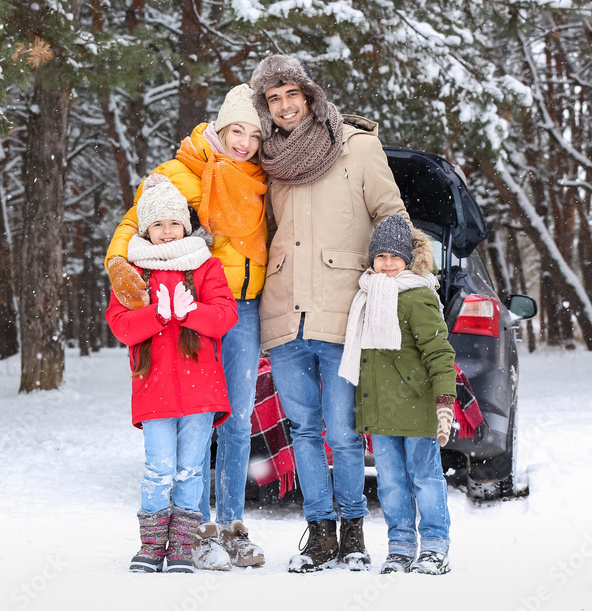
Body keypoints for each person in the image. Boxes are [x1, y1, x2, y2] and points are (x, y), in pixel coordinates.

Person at [248, 54, 408, 572]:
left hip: (342, 309)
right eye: (273, 99)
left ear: (309, 95)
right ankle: (319, 533)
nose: (284, 106)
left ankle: (354, 533)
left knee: (343, 432)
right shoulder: (267, 161)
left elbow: (392, 213)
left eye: (291, 94)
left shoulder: (356, 146)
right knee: (304, 431)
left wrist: (397, 267)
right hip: (283, 311)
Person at [105, 83, 268, 570]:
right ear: (218, 128)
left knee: (236, 422)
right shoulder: (176, 173)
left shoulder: (262, 177)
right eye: (235, 130)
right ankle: (191, 533)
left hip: (242, 307)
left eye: (253, 135)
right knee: (196, 430)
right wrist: (118, 265)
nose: (243, 142)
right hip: (186, 307)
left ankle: (230, 527)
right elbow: (134, 224)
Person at [105, 174, 238, 573]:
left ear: (185, 225)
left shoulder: (205, 266)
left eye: (174, 223)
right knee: (159, 467)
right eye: (158, 224)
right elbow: (121, 324)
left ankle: (182, 545)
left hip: (200, 389)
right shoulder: (132, 271)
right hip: (155, 388)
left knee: (191, 468)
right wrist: (157, 314)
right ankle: (151, 545)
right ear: (146, 228)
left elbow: (225, 316)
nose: (167, 232)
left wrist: (190, 312)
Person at [339, 215, 455, 575]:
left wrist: (444, 401)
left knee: (425, 478)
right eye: (380, 257)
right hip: (382, 410)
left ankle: (435, 545)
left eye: (395, 257)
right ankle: (401, 545)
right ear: (371, 259)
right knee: (390, 483)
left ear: (408, 259)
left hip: (417, 407)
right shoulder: (364, 296)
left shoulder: (418, 296)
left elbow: (439, 352)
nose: (387, 264)